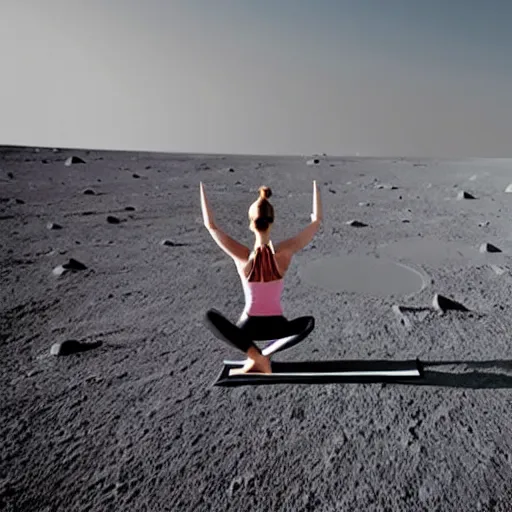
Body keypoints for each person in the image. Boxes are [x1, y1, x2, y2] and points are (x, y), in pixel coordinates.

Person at [200, 180, 323, 375]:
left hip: (248, 328)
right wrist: (316, 187)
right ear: (272, 222)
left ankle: (255, 356)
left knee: (209, 316)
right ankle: (264, 356)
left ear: (251, 224)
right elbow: (316, 223)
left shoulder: (242, 256)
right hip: (278, 327)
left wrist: (202, 187)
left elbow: (211, 225)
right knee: (308, 323)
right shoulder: (284, 254)